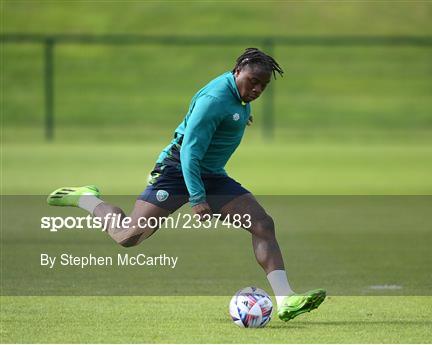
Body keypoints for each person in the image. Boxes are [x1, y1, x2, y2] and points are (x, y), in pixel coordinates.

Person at [47, 48, 326, 321]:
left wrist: (241, 116)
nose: (256, 90)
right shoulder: (214, 99)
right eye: (253, 82)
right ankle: (86, 199)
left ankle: (286, 298)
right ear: (237, 71)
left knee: (263, 224)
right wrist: (197, 198)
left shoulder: (236, 97)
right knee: (128, 237)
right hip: (176, 170)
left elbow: (231, 113)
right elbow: (190, 153)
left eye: (263, 86)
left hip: (212, 175)